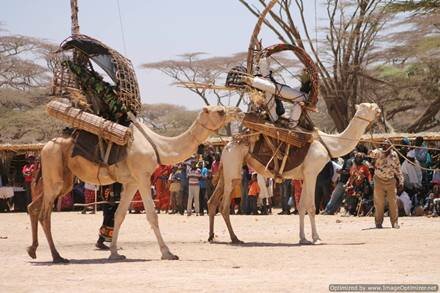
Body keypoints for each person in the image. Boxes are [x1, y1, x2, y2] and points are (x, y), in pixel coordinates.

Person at [368, 141, 404, 229]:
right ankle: (378, 223)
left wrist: (401, 180)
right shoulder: (378, 152)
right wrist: (370, 152)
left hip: (391, 181)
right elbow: (372, 154)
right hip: (379, 180)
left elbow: (398, 168)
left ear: (390, 145)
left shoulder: (394, 155)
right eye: (383, 144)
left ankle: (394, 223)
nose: (384, 145)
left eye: (386, 144)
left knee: (393, 202)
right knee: (379, 202)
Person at [96, 184, 120, 250]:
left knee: (110, 219)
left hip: (111, 195)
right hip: (110, 197)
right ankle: (100, 241)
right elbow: (111, 182)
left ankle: (108, 242)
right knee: (109, 219)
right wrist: (112, 195)